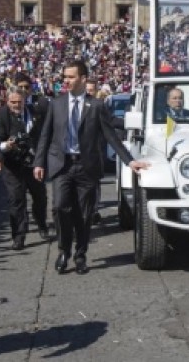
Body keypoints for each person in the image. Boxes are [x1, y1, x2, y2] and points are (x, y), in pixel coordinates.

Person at [33, 60, 148, 275]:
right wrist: (39, 162)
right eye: (64, 77)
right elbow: (45, 135)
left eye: (70, 77)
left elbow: (110, 136)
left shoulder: (96, 106)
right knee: (59, 208)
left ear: (83, 79)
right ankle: (63, 250)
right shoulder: (56, 104)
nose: (66, 81)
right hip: (62, 165)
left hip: (86, 167)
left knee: (83, 215)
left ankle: (80, 254)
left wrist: (130, 161)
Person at [0, 85, 49, 250]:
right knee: (16, 200)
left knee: (40, 197)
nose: (16, 105)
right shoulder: (2, 115)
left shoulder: (35, 112)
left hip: (34, 163)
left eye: (19, 101)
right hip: (13, 164)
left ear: (25, 100)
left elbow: (44, 134)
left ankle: (41, 223)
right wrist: (3, 149)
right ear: (7, 101)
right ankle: (18, 236)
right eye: (13, 102)